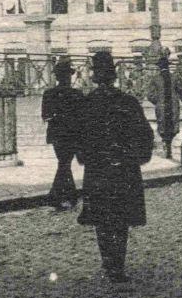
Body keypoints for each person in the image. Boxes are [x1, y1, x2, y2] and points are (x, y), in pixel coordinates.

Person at [76, 50, 155, 285]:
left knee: (102, 218)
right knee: (120, 218)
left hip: (99, 169)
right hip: (124, 169)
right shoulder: (128, 102)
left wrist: (87, 157)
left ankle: (108, 264)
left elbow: (79, 137)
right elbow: (145, 135)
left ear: (95, 77)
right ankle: (117, 265)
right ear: (114, 77)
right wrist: (135, 157)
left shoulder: (88, 103)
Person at [41, 59, 87, 212]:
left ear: (57, 77)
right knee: (65, 163)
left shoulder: (49, 94)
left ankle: (61, 196)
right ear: (69, 76)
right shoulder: (77, 94)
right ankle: (64, 196)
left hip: (57, 135)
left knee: (64, 163)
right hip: (73, 134)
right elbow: (83, 116)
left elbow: (45, 115)